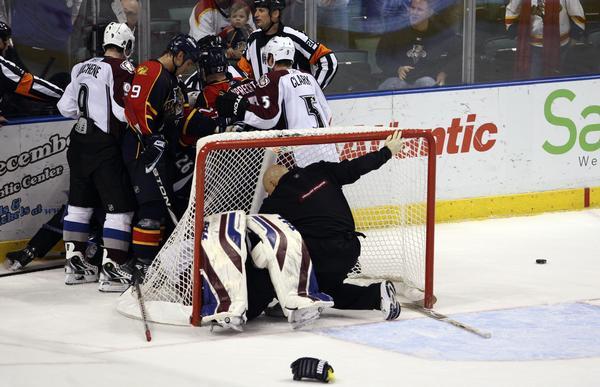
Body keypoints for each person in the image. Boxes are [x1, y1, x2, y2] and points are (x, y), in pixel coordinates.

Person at [248, 130, 406, 321]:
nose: (269, 194)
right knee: (329, 290)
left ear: (273, 183)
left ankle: (297, 301)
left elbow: (261, 234)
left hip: (322, 251)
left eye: (268, 190)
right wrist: (386, 152)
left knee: (276, 256)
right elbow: (355, 167)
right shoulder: (319, 170)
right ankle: (377, 295)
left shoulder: (275, 201)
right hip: (351, 249)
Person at [57, 22, 137, 291]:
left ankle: (76, 265)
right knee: (119, 210)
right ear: (126, 45)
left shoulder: (80, 66)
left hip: (78, 142)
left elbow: (65, 107)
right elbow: (121, 111)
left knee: (79, 206)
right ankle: (113, 269)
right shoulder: (121, 68)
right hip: (104, 145)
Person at [123, 33, 200, 276]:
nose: (188, 68)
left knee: (164, 208)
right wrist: (150, 137)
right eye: (188, 63)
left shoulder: (172, 80)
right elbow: (135, 107)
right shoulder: (150, 70)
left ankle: (152, 260)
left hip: (160, 150)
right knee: (152, 207)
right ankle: (141, 265)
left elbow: (179, 115)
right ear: (178, 56)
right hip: (143, 149)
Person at [216, 36, 331, 131]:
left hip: (301, 151)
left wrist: (240, 107)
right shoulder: (308, 76)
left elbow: (268, 119)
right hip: (326, 147)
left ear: (271, 58)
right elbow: (328, 114)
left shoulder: (271, 78)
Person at [237, 0, 338, 90]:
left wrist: (313, 90)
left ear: (275, 13)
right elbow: (243, 71)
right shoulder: (253, 38)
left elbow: (328, 60)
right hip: (266, 107)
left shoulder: (294, 36)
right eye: (256, 10)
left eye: (261, 10)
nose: (256, 15)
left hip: (294, 106)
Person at [376, 0, 461, 90]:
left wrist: (444, 72)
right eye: (413, 8)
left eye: (419, 10)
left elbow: (458, 54)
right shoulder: (396, 29)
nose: (415, 13)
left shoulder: (440, 32)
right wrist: (396, 68)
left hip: (426, 80)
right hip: (397, 79)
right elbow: (381, 56)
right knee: (392, 84)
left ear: (429, 13)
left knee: (428, 83)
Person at [0, 21, 63, 127]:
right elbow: (30, 85)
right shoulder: (2, 67)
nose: (8, 44)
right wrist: (64, 96)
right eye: (5, 39)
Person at [505, 0, 586, 78]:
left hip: (561, 46)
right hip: (533, 47)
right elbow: (512, 9)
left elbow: (576, 11)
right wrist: (514, 31)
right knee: (535, 79)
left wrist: (575, 35)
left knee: (560, 78)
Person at [189, 0, 256, 40]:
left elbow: (253, 38)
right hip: (207, 57)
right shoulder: (202, 10)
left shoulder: (243, 7)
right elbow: (203, 45)